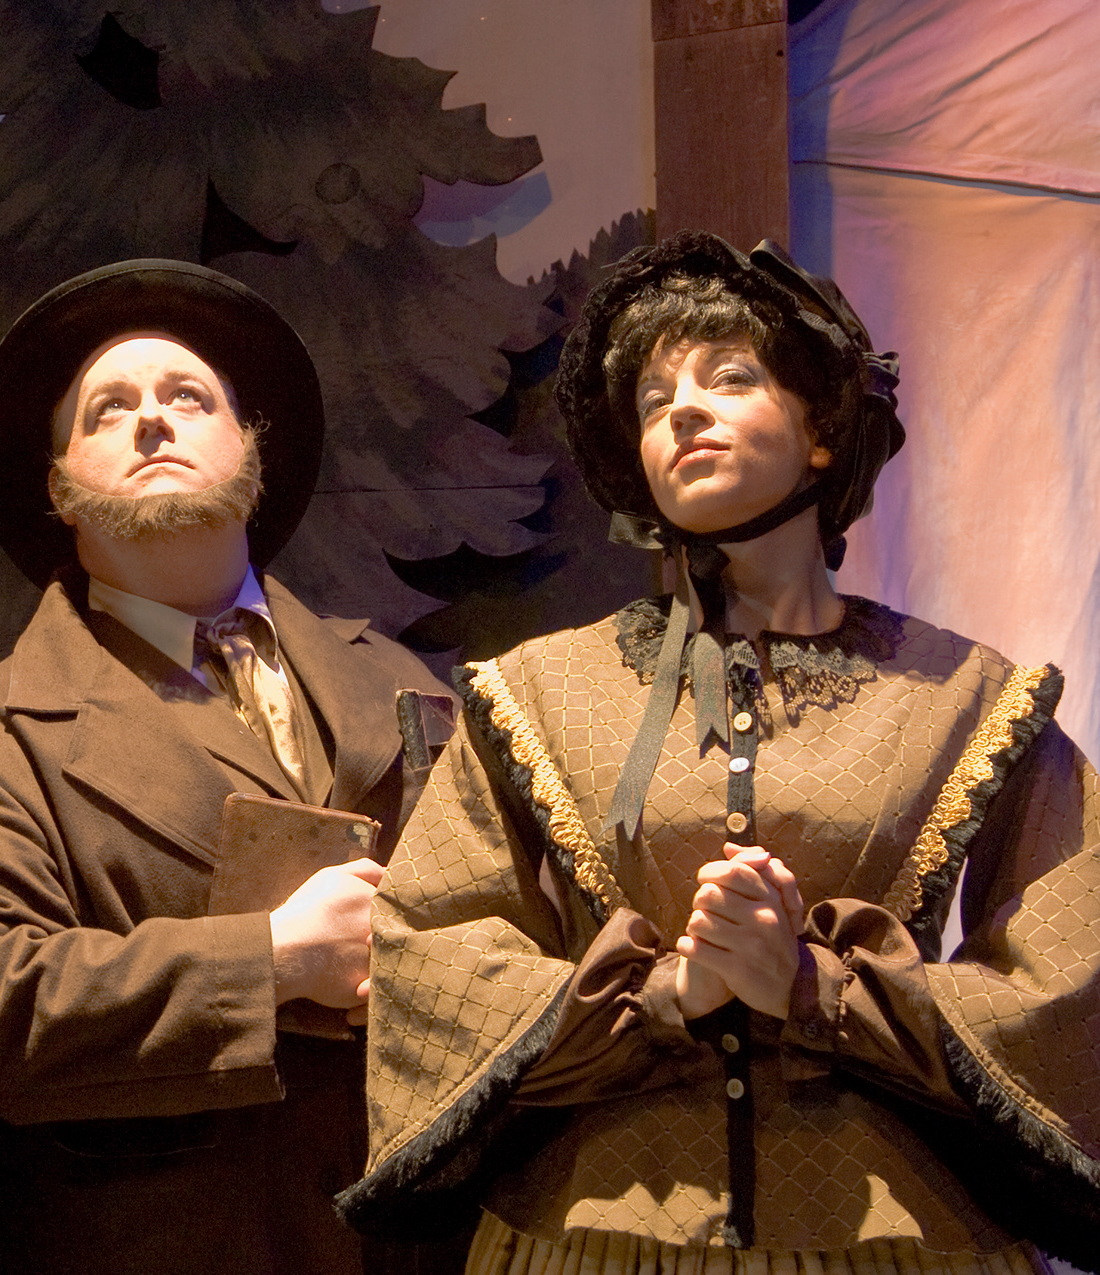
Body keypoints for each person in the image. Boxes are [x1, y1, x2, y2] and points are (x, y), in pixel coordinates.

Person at [338, 230, 1100, 1272]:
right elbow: (433, 953)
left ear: (822, 429)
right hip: (597, 1234)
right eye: (654, 401)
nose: (683, 410)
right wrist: (670, 995)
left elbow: (1072, 973)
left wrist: (817, 992)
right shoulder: (540, 692)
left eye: (729, 378)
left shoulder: (966, 695)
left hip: (890, 1239)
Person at [0, 259, 457, 1274]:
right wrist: (275, 959)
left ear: (250, 448)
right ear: (58, 487)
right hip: (162, 1242)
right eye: (108, 409)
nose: (152, 422)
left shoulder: (396, 681)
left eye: (187, 398)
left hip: (408, 1239)